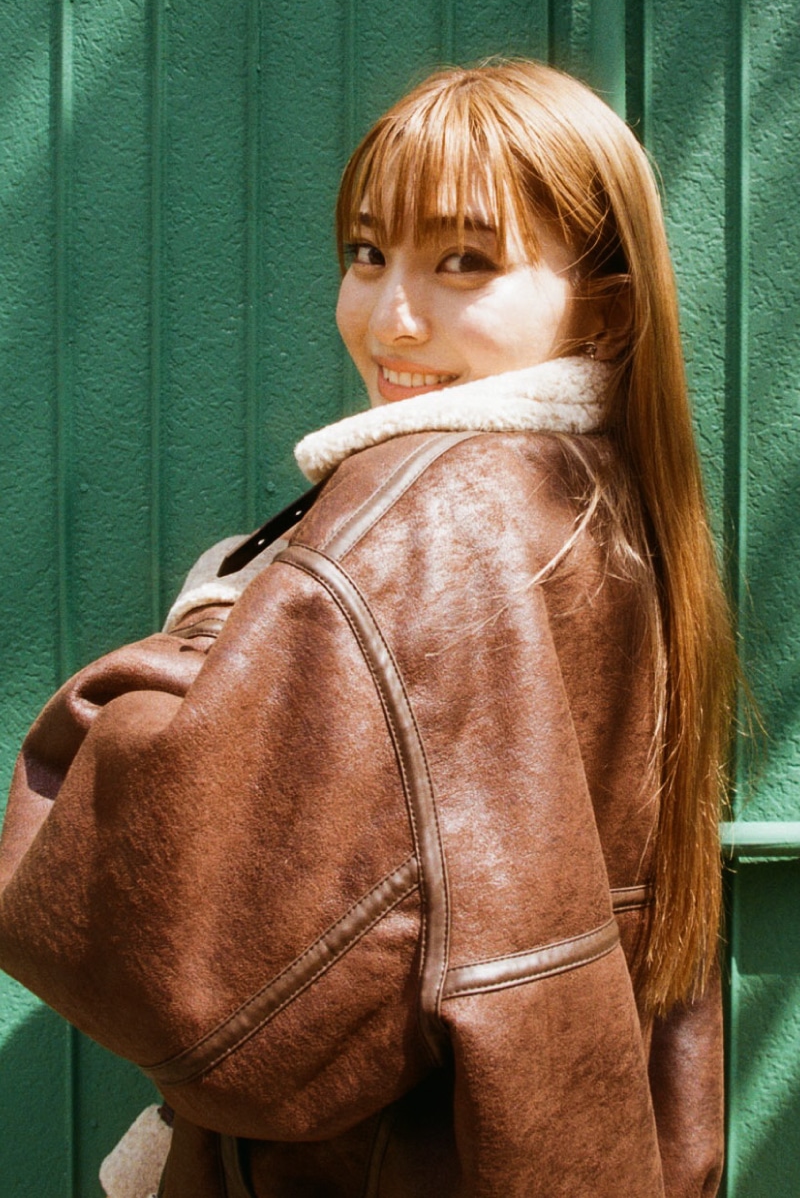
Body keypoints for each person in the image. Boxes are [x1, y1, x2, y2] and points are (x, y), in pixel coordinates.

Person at [0, 60, 735, 1197]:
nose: (392, 316)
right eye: (366, 252)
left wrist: (209, 634)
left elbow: (192, 978)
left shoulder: (431, 507)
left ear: (607, 300)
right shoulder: (600, 491)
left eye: (464, 261)